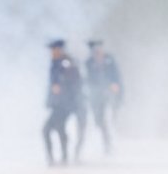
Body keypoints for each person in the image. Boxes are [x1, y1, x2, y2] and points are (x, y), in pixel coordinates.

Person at [79, 38, 123, 158]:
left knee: (108, 117)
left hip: (109, 94)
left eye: (99, 49)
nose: (98, 51)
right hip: (95, 95)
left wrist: (115, 87)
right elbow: (88, 79)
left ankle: (110, 144)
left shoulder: (109, 60)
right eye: (95, 50)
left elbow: (116, 75)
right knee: (99, 120)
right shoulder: (89, 63)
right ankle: (105, 141)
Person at [42, 38, 82, 166]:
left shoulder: (66, 63)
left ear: (59, 49)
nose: (52, 52)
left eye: (53, 50)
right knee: (56, 129)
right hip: (57, 104)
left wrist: (62, 86)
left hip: (65, 104)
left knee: (48, 129)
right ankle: (57, 157)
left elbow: (75, 82)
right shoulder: (55, 63)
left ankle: (59, 158)